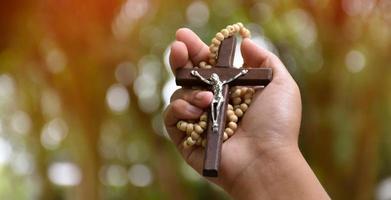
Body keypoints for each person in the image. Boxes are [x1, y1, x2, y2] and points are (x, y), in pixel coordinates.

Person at [163, 28, 330, 199]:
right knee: (213, 115)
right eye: (212, 80)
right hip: (215, 101)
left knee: (214, 116)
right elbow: (200, 76)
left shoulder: (228, 78)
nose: (215, 80)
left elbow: (237, 74)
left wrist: (271, 152)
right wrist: (197, 74)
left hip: (219, 99)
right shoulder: (212, 79)